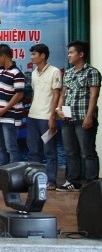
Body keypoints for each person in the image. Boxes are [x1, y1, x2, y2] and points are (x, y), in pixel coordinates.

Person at [56, 40, 101, 192]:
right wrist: (58, 109)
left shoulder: (92, 72)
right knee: (70, 151)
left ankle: (92, 184)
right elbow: (63, 94)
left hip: (83, 117)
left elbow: (94, 96)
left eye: (71, 53)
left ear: (81, 54)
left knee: (88, 152)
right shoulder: (68, 73)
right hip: (67, 118)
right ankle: (72, 181)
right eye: (68, 53)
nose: (68, 55)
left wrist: (89, 116)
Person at [26, 44, 62, 190]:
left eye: (34, 54)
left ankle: (51, 180)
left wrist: (52, 116)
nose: (31, 57)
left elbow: (56, 94)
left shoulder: (54, 71)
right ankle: (35, 179)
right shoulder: (34, 73)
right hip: (32, 116)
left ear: (43, 56)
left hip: (47, 117)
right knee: (33, 150)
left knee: (50, 151)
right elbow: (35, 93)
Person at [0, 44, 25, 182]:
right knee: (0, 146)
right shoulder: (0, 72)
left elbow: (19, 94)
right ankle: (2, 175)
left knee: (11, 147)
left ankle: (14, 176)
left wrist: (5, 109)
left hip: (10, 117)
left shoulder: (17, 73)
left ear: (4, 56)